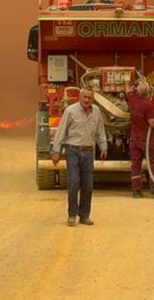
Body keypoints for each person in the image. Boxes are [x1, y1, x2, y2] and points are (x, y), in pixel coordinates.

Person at [50, 87, 108, 226]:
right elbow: (61, 131)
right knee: (73, 182)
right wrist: (56, 151)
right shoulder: (70, 111)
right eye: (84, 97)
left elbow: (100, 131)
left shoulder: (96, 112)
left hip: (88, 152)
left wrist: (103, 146)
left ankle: (84, 216)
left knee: (88, 185)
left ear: (92, 99)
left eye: (89, 98)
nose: (87, 100)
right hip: (72, 151)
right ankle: (72, 215)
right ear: (79, 97)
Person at [126, 80, 154, 199]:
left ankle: (136, 190)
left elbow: (127, 89)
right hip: (146, 140)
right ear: (149, 92)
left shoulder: (132, 99)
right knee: (152, 162)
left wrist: (132, 85)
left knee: (136, 163)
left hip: (134, 139)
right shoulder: (149, 105)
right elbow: (152, 123)